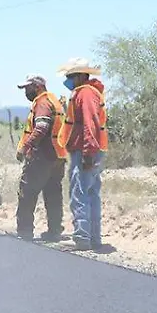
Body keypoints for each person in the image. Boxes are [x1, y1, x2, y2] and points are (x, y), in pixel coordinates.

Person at [57, 58, 108, 251]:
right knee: (91, 194)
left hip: (85, 152)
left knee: (79, 194)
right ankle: (93, 238)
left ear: (79, 76)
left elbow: (90, 123)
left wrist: (87, 152)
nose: (68, 80)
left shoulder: (85, 94)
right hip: (92, 150)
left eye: (70, 76)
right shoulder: (89, 93)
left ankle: (82, 238)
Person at [14, 74, 69, 241]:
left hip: (42, 157)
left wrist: (25, 147)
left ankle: (24, 232)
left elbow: (41, 127)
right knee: (53, 194)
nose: (26, 92)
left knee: (27, 193)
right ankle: (54, 231)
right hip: (57, 157)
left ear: (37, 87)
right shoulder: (54, 101)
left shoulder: (42, 103)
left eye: (27, 88)